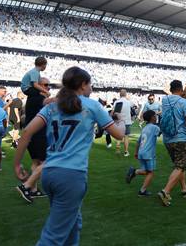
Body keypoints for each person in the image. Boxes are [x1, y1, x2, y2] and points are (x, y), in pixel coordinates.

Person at [14, 67, 124, 245]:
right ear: (82, 85)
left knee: (73, 224)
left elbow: (26, 132)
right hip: (71, 175)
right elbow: (119, 135)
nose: (91, 89)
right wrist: (119, 121)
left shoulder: (52, 106)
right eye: (90, 85)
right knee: (53, 237)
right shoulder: (92, 105)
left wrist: (17, 165)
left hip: (49, 173)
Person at [158, 80, 186, 207]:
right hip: (181, 138)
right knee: (180, 165)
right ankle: (165, 191)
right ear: (181, 89)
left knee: (179, 164)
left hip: (168, 138)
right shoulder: (185, 102)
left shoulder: (165, 100)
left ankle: (184, 188)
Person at [16, 78, 51, 203]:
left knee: (36, 162)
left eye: (49, 85)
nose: (48, 88)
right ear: (38, 86)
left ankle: (34, 190)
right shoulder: (39, 99)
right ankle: (27, 186)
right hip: (38, 135)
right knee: (48, 161)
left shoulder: (32, 99)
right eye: (46, 85)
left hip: (32, 135)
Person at [126, 110, 161, 196]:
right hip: (148, 154)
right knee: (150, 172)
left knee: (146, 171)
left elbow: (138, 141)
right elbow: (161, 133)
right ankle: (142, 191)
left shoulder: (145, 128)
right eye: (155, 115)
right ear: (152, 117)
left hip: (141, 152)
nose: (156, 117)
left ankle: (134, 172)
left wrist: (136, 152)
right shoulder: (154, 127)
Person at [111, 89, 134, 156]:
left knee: (119, 136)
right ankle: (126, 151)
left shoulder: (116, 102)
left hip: (119, 121)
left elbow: (114, 111)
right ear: (126, 94)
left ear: (120, 94)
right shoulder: (129, 102)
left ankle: (118, 149)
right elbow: (133, 105)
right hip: (126, 121)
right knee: (126, 136)